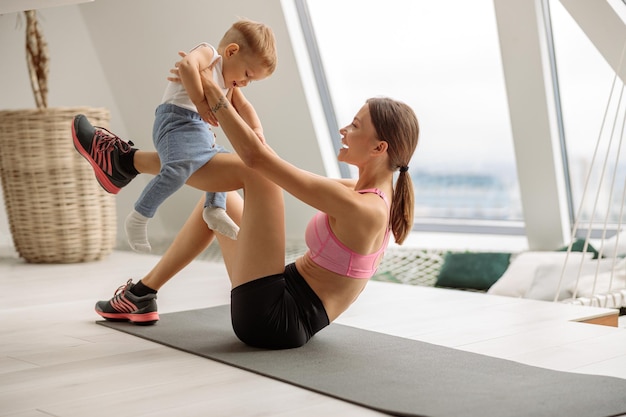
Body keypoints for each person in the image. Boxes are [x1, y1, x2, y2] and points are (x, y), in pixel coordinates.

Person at [72, 63, 419, 349]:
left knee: (257, 177)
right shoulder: (365, 195)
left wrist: (211, 92)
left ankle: (124, 163)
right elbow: (273, 162)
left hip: (275, 319)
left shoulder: (362, 209)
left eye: (355, 126)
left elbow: (258, 162)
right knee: (219, 202)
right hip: (278, 296)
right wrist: (233, 92)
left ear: (379, 148)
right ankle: (141, 295)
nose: (344, 130)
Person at [72, 19, 277, 253]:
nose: (245, 83)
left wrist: (257, 131)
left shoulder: (230, 85)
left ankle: (214, 208)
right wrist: (201, 103)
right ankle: (139, 216)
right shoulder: (209, 54)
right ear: (231, 51)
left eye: (251, 80)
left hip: (198, 128)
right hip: (175, 120)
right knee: (177, 169)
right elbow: (188, 65)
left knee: (223, 160)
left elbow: (245, 107)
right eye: (248, 74)